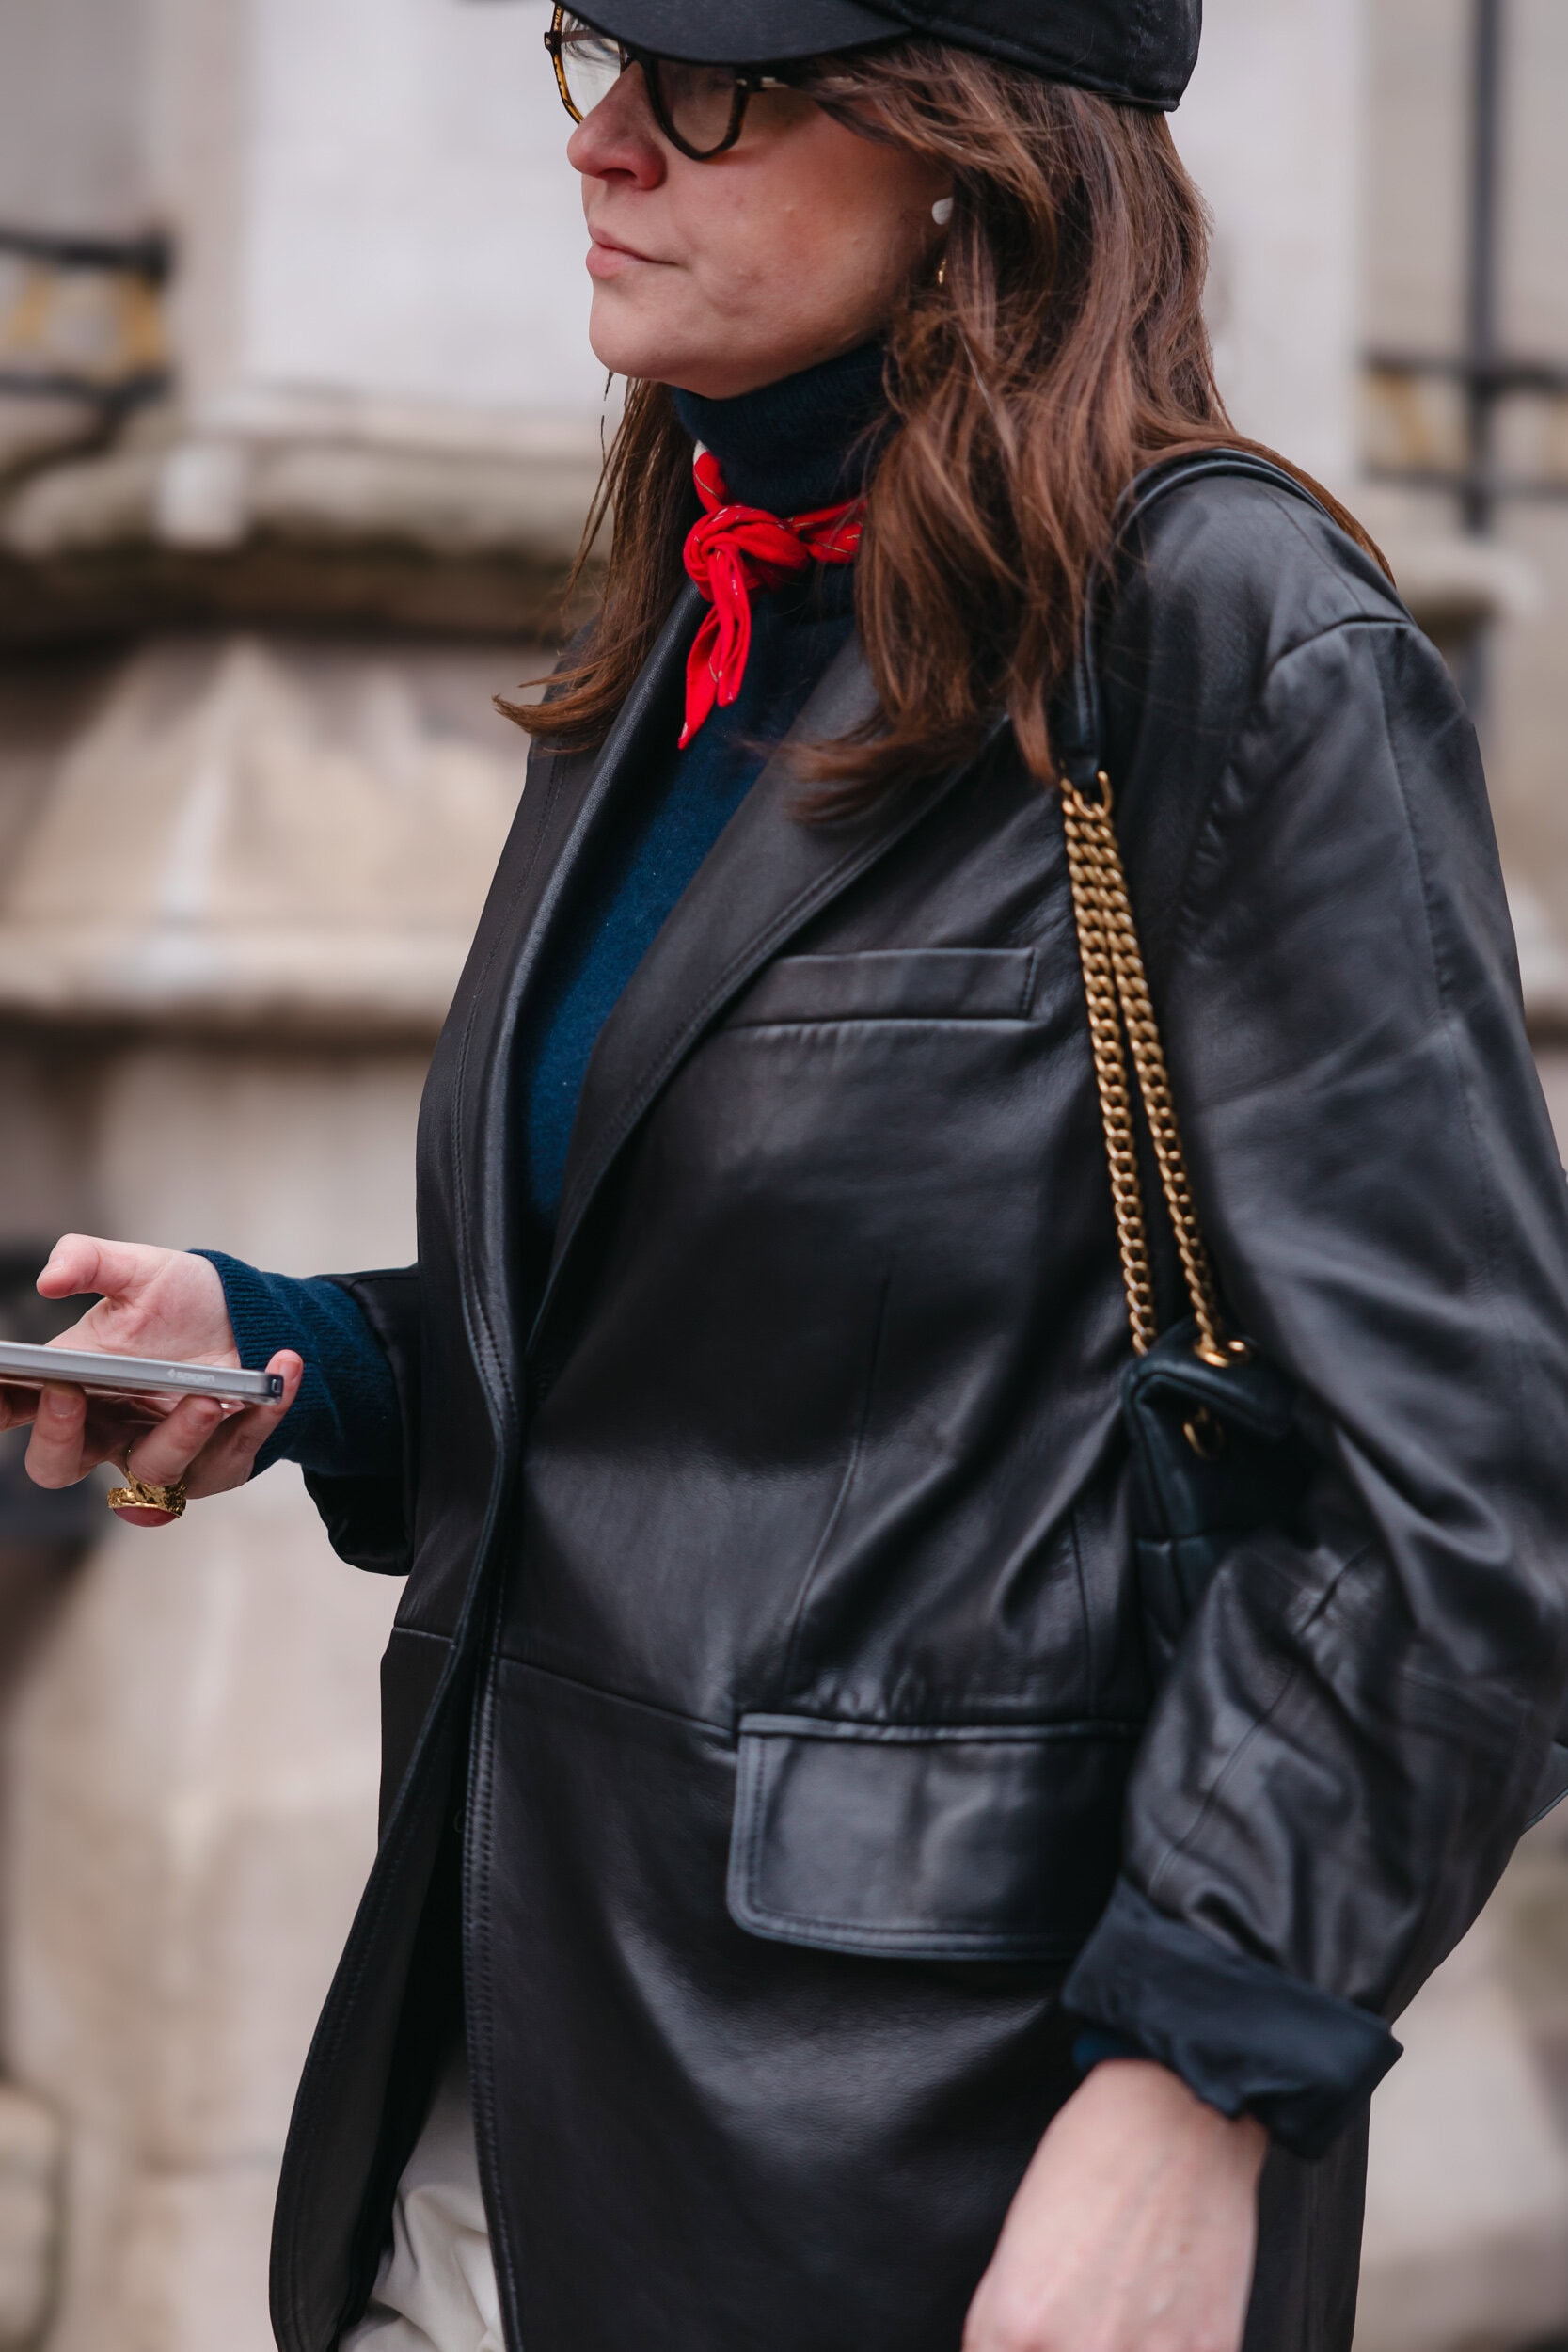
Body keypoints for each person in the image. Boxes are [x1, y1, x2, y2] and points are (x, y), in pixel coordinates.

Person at [10, 3, 1568, 2347]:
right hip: (493, 2074)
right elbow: (743, 1374)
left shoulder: (1226, 638)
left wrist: (1198, 2072)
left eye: (714, 83)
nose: (610, 145)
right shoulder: (714, 604)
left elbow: (1474, 1496)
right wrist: (307, 1356)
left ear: (974, 154)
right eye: (597, 54)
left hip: (925, 2160)